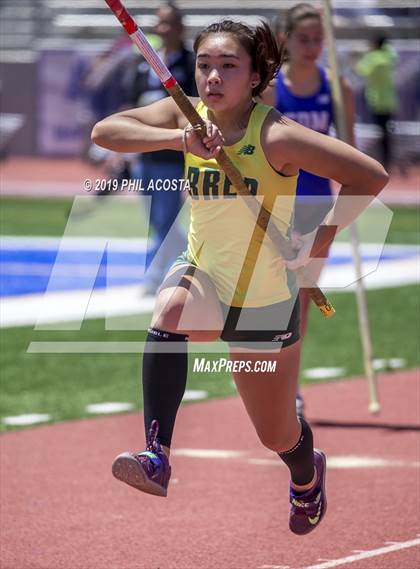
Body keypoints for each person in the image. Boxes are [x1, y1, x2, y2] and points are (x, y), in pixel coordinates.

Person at [92, 20, 388, 535]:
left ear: (255, 77)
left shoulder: (277, 134)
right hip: (204, 274)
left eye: (229, 66)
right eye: (206, 65)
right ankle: (157, 454)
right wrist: (178, 137)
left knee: (277, 436)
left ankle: (305, 473)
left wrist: (318, 241)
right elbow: (105, 132)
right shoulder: (187, 113)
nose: (212, 77)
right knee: (169, 311)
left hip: (264, 301)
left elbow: (370, 175)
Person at [260, 3, 355, 418]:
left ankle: (289, 389)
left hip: (316, 206)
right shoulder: (269, 88)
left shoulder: (337, 88)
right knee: (274, 298)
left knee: (302, 300)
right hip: (275, 205)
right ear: (286, 40)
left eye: (319, 39)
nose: (313, 47)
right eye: (304, 39)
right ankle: (267, 380)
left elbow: (351, 153)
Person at [130, 2, 198, 294]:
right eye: (160, 23)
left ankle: (153, 276)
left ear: (180, 27)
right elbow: (132, 103)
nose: (163, 29)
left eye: (169, 23)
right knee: (155, 218)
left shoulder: (192, 63)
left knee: (166, 217)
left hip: (173, 154)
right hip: (144, 152)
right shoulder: (145, 61)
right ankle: (192, 256)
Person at [355, 34, 398, 170]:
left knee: (381, 132)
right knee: (386, 133)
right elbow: (393, 54)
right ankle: (388, 160)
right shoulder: (388, 56)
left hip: (377, 101)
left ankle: (383, 161)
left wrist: (358, 58)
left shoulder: (373, 58)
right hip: (389, 100)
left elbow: (361, 70)